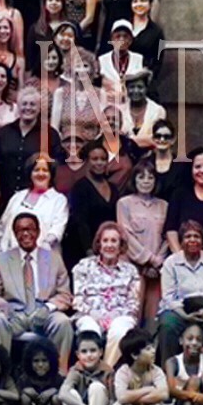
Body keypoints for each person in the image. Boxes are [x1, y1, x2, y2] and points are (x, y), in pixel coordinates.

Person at [0, 212, 74, 372]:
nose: (25, 233)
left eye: (30, 229)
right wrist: (6, 308)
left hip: (44, 313)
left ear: (38, 232)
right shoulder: (2, 260)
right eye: (20, 230)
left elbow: (65, 294)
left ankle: (59, 377)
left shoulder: (53, 258)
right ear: (15, 233)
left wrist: (48, 308)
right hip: (14, 314)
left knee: (63, 322)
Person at [156, 220, 203, 366]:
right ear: (181, 241)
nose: (192, 240)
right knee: (168, 325)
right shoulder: (171, 262)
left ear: (202, 241)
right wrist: (185, 316)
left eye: (197, 236)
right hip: (180, 308)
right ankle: (168, 371)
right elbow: (168, 296)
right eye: (188, 236)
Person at [71, 221, 142, 368]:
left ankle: (105, 371)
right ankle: (89, 371)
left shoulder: (131, 271)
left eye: (114, 241)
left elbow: (133, 303)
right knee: (90, 331)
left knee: (119, 330)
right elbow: (78, 300)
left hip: (121, 316)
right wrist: (97, 315)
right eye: (105, 240)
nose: (109, 245)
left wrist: (114, 316)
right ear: (99, 244)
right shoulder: (83, 266)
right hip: (89, 314)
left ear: (120, 245)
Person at [117, 159, 169, 323]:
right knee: (134, 311)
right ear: (134, 180)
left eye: (150, 177)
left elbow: (168, 236)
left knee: (154, 315)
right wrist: (149, 259)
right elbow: (126, 235)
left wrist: (158, 260)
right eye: (141, 177)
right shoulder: (124, 203)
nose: (146, 181)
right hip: (133, 266)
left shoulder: (164, 205)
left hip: (157, 270)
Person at [0, 85, 60, 196]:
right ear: (18, 106)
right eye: (24, 104)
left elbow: (55, 166)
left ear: (39, 108)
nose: (28, 108)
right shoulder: (4, 133)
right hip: (5, 195)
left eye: (32, 104)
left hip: (37, 195)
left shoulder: (50, 134)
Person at [0, 153, 69, 253]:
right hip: (9, 257)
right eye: (36, 170)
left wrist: (40, 250)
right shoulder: (17, 197)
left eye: (45, 170)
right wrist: (1, 246)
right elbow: (1, 226)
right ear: (30, 173)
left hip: (43, 257)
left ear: (51, 174)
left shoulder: (58, 200)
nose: (40, 173)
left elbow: (57, 230)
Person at [66, 140, 121, 270]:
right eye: (94, 159)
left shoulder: (113, 188)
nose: (99, 163)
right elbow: (81, 222)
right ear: (86, 161)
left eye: (103, 159)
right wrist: (89, 251)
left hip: (107, 248)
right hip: (82, 249)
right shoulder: (80, 187)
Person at [97, 20, 145, 102]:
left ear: (130, 40)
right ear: (112, 39)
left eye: (125, 36)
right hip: (108, 104)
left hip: (131, 103)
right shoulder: (102, 60)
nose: (121, 39)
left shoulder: (139, 59)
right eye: (118, 36)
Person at [121, 69, 166, 149]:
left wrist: (127, 139)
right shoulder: (119, 110)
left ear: (146, 89)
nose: (136, 91)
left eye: (140, 87)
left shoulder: (158, 111)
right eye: (132, 87)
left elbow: (157, 139)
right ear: (126, 89)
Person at [127, 0, 165, 79]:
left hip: (141, 79)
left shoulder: (157, 32)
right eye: (135, 1)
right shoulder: (123, 26)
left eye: (143, 0)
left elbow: (158, 62)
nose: (139, 4)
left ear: (150, 4)